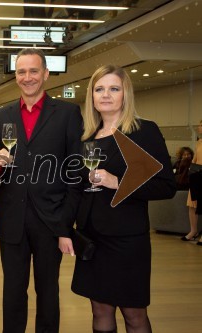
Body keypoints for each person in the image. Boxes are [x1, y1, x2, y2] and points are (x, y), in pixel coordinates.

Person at [71, 65, 176, 333]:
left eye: (114, 89)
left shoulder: (143, 131)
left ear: (125, 94)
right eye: (99, 89)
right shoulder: (86, 137)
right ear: (91, 96)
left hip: (127, 239)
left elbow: (165, 186)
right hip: (92, 239)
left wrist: (116, 182)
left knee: (134, 313)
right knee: (100, 310)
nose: (106, 95)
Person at [0, 47, 83, 333]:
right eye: (21, 71)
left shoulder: (67, 113)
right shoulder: (1, 115)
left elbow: (74, 171)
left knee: (48, 291)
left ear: (45, 74)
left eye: (33, 71)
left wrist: (65, 225)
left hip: (50, 220)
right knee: (13, 292)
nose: (27, 77)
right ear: (14, 76)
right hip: (12, 219)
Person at [182, 120, 202, 243]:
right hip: (197, 174)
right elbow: (194, 160)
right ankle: (193, 231)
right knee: (192, 204)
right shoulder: (199, 142)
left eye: (201, 125)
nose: (199, 127)